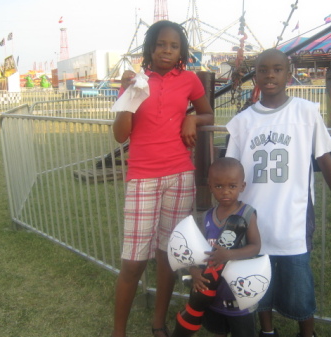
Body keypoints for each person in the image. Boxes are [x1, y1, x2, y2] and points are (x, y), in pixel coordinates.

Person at [225, 49, 331, 337]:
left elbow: (325, 160)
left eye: (277, 69)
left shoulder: (306, 112)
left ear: (288, 72)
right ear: (255, 75)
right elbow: (231, 170)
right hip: (254, 221)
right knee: (260, 281)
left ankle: (307, 332)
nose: (270, 75)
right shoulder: (242, 121)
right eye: (262, 70)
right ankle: (267, 331)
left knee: (300, 286)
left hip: (293, 220)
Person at [111, 20, 214, 337]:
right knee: (133, 261)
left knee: (168, 254)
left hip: (180, 175)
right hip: (143, 177)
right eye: (160, 44)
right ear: (150, 48)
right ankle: (119, 331)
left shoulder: (189, 80)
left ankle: (158, 323)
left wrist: (192, 117)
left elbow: (209, 113)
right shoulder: (136, 81)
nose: (166, 50)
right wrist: (129, 94)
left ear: (181, 50)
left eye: (173, 45)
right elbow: (120, 136)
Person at [172, 157, 261, 337]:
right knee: (218, 330)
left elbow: (255, 247)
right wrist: (194, 270)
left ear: (242, 186)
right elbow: (198, 251)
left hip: (238, 293)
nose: (225, 192)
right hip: (214, 294)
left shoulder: (248, 214)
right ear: (210, 186)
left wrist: (229, 254)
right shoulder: (206, 217)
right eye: (219, 186)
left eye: (232, 186)